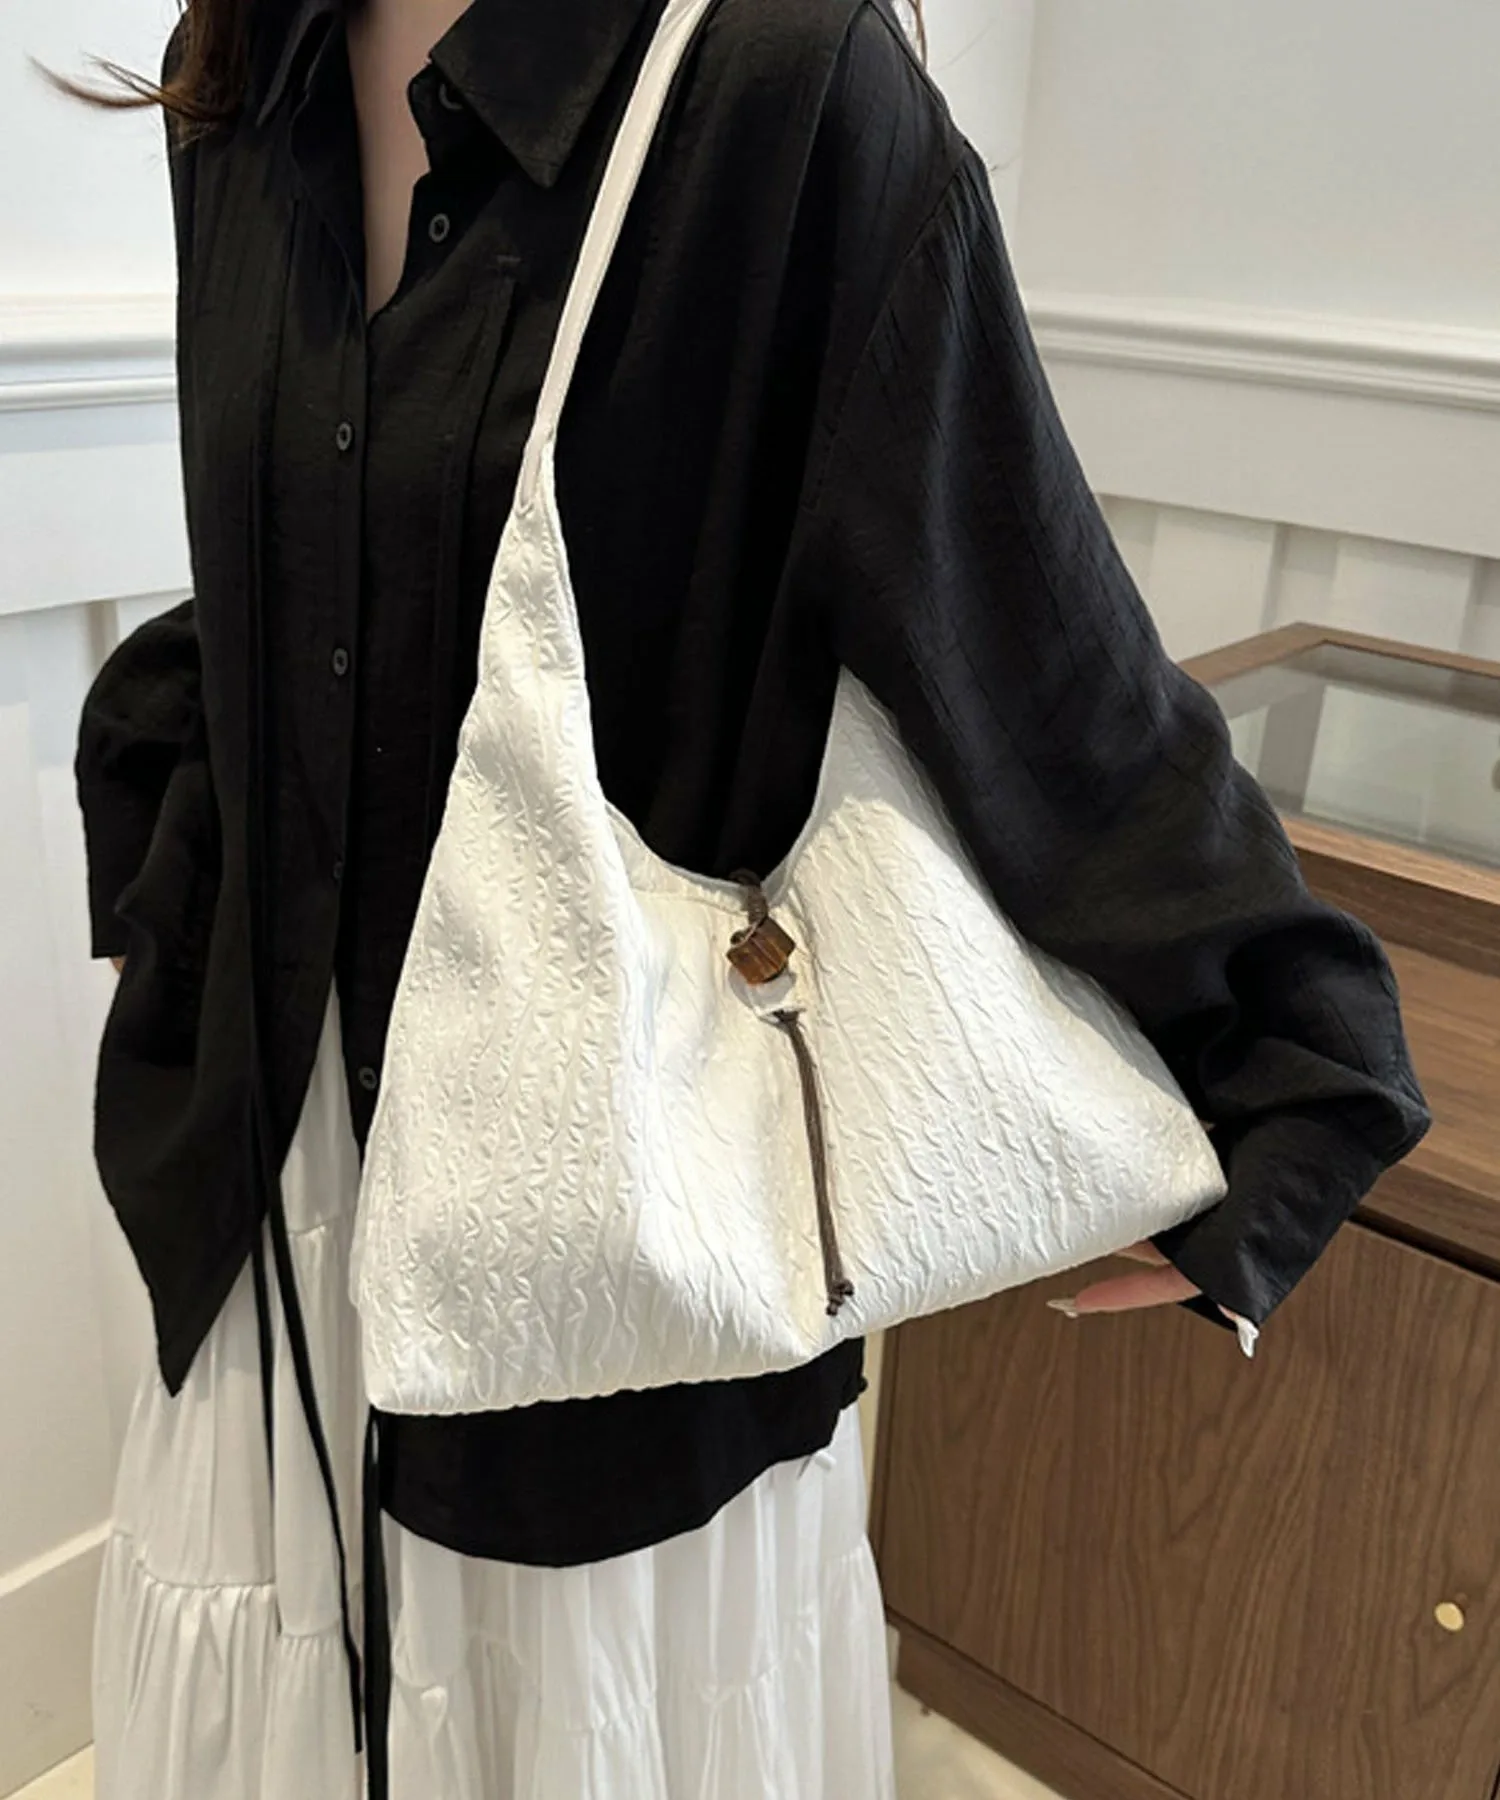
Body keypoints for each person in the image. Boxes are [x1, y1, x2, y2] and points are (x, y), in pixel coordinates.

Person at [63, 0, 1430, 1794]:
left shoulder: (777, 84)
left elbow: (1026, 645)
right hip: (275, 1189)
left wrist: (1288, 1065)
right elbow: (297, 565)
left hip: (612, 1238)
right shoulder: (241, 70)